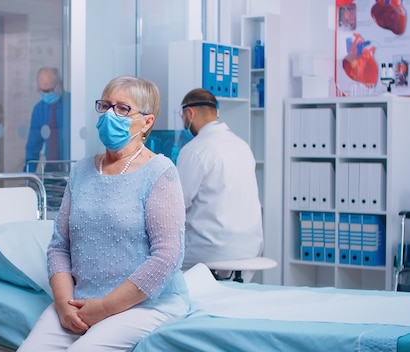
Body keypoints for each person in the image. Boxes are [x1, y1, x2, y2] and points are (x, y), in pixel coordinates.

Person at [17, 76, 190, 351]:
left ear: (146, 122)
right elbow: (59, 247)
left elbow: (167, 257)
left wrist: (105, 307)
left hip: (145, 304)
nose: (111, 114)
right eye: (106, 106)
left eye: (123, 109)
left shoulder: (160, 173)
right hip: (80, 300)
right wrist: (63, 305)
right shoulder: (82, 171)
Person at [176, 88, 263, 282]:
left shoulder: (194, 150)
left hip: (210, 252)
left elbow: (177, 205)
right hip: (250, 247)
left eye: (182, 116)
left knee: (159, 259)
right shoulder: (242, 146)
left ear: (190, 113)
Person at [24, 67, 71, 172]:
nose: (47, 94)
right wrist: (27, 177)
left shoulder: (72, 105)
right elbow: (33, 147)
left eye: (50, 90)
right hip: (51, 169)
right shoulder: (39, 110)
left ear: (59, 84)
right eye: (43, 91)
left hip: (73, 165)